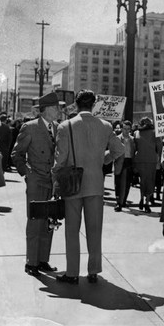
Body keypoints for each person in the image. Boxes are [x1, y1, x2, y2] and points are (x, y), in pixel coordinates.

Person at [53, 90, 124, 284]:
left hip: (73, 184)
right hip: (95, 183)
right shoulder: (105, 126)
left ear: (76, 105)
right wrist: (102, 160)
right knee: (94, 229)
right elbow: (119, 150)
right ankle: (93, 270)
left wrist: (55, 180)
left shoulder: (65, 126)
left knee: (71, 230)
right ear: (93, 105)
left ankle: (72, 272)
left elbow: (61, 159)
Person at [11, 92, 62, 277]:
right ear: (46, 109)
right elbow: (16, 154)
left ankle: (42, 260)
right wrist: (27, 174)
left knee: (49, 222)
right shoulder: (30, 127)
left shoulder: (58, 128)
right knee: (34, 222)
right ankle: (31, 262)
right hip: (36, 181)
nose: (59, 110)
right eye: (56, 107)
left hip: (52, 182)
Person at [133, 117, 162, 212]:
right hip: (151, 160)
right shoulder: (155, 133)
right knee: (150, 182)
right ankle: (147, 203)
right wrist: (159, 160)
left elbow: (135, 148)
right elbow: (159, 147)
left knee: (142, 181)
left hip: (140, 160)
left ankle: (142, 198)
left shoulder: (136, 133)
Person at [113, 120, 136, 212]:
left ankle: (124, 200)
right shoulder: (117, 139)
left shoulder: (133, 139)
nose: (126, 131)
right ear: (122, 129)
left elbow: (134, 151)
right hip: (120, 161)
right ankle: (118, 201)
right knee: (118, 183)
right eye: (125, 129)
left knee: (127, 183)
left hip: (129, 161)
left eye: (128, 129)